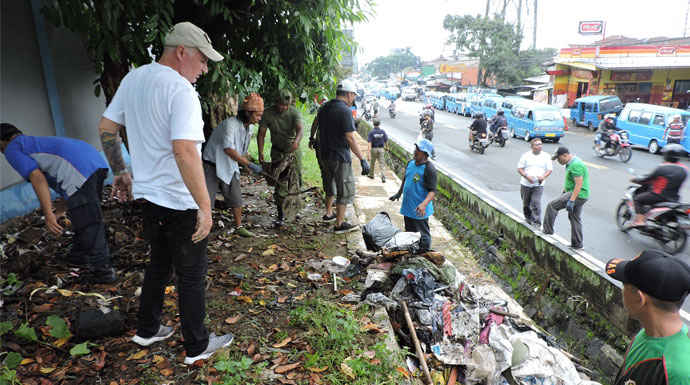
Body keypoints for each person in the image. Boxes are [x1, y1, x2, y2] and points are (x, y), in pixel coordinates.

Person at [97, 21, 233, 364]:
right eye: (202, 60)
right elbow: (185, 150)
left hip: (150, 196)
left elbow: (107, 128)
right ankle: (197, 346)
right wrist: (205, 206)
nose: (204, 69)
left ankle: (147, 329)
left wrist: (121, 172)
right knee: (191, 275)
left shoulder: (135, 78)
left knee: (158, 264)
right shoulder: (181, 90)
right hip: (180, 199)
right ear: (182, 52)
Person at [0, 123, 116, 284]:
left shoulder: (12, 149)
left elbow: (37, 177)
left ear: (3, 142)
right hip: (94, 162)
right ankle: (79, 256)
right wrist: (63, 206)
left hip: (78, 171)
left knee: (89, 223)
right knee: (83, 215)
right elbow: (59, 166)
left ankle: (103, 272)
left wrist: (48, 214)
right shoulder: (31, 143)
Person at [605, 250, 690, 385]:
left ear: (639, 299)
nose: (622, 291)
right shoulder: (645, 334)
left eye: (624, 285)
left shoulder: (678, 374)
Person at [203, 93, 265, 237]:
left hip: (229, 164)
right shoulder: (230, 124)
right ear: (248, 113)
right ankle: (203, 226)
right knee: (207, 198)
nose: (260, 118)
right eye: (258, 115)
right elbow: (229, 149)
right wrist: (248, 164)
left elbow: (241, 151)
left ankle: (238, 226)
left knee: (236, 197)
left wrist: (247, 166)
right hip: (211, 164)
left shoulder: (249, 128)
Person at [316, 79, 370, 233]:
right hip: (340, 156)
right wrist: (362, 159)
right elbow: (350, 137)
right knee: (345, 189)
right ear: (348, 94)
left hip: (324, 154)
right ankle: (339, 224)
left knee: (329, 184)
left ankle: (329, 213)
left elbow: (318, 128)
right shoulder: (345, 111)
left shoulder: (324, 108)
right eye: (353, 95)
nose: (353, 98)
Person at [257, 90, 304, 227]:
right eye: (281, 105)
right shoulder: (268, 113)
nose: (283, 107)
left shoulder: (294, 112)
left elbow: (300, 130)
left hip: (293, 152)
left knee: (296, 181)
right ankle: (280, 214)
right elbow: (261, 134)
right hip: (277, 152)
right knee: (279, 182)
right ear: (276, 102)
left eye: (286, 105)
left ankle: (294, 208)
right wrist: (260, 152)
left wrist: (296, 141)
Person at [389, 138, 437, 252]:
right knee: (410, 233)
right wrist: (398, 193)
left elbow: (432, 191)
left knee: (423, 235)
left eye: (418, 150)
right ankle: (412, 251)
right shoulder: (410, 163)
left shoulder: (429, 169)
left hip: (419, 210)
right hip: (408, 206)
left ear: (425, 154)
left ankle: (425, 254)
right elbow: (406, 179)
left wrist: (424, 205)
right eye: (416, 148)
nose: (415, 151)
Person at [629, 143, 688, 227]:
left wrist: (635, 179)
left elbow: (647, 179)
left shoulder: (662, 167)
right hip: (675, 198)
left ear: (666, 155)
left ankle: (640, 221)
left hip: (658, 195)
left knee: (638, 199)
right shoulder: (685, 169)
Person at [542, 146, 589, 249]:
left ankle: (547, 231)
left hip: (577, 194)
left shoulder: (576, 165)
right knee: (574, 218)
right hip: (579, 194)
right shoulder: (570, 163)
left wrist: (571, 200)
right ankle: (577, 244)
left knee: (552, 206)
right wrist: (564, 193)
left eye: (558, 159)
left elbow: (578, 184)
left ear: (565, 155)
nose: (558, 161)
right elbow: (570, 182)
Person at [308, 101, 338, 222]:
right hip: (331, 153)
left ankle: (329, 208)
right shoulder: (336, 118)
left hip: (320, 150)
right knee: (333, 179)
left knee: (326, 177)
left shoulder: (321, 114)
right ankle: (330, 213)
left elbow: (314, 124)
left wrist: (311, 138)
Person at [517, 138, 553, 226]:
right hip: (526, 183)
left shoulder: (546, 156)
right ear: (532, 146)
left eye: (540, 144)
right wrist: (526, 176)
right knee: (526, 204)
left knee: (536, 202)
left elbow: (549, 169)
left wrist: (543, 177)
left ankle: (537, 221)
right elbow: (520, 168)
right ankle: (528, 218)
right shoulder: (526, 156)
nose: (539, 146)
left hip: (538, 184)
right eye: (537, 144)